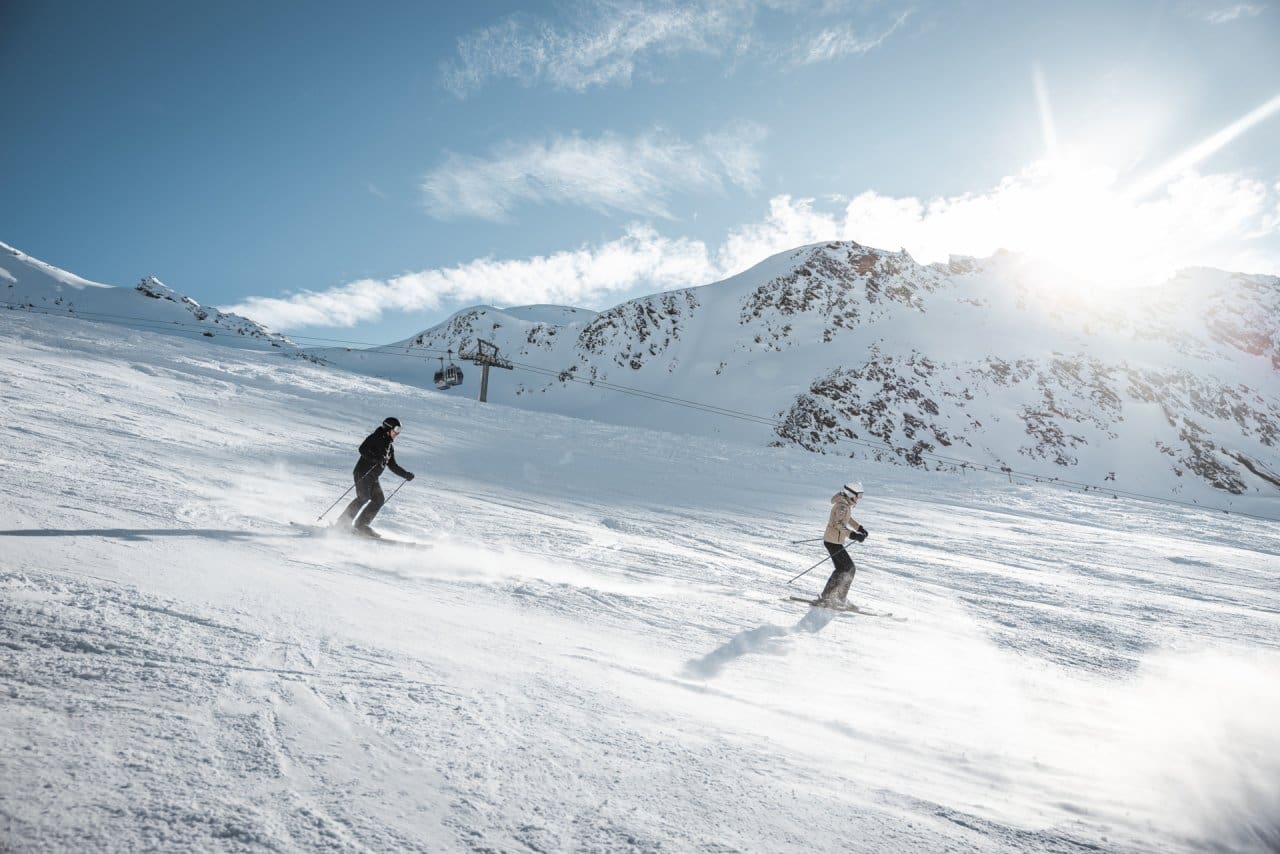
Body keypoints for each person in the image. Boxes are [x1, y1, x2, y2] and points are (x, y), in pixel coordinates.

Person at [337, 416, 414, 538]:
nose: (397, 433)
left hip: (373, 477)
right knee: (363, 497)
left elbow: (393, 465)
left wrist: (406, 474)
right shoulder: (375, 437)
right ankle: (342, 524)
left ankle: (361, 525)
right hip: (362, 473)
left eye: (399, 431)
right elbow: (362, 449)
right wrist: (375, 458)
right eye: (396, 430)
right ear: (388, 428)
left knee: (379, 499)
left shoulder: (389, 447)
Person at [819, 481, 868, 605]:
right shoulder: (842, 506)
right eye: (859, 496)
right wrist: (853, 535)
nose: (859, 499)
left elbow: (847, 518)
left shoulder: (845, 504)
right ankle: (837, 598)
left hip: (834, 541)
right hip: (832, 542)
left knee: (843, 568)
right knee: (849, 568)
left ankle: (831, 596)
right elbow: (838, 524)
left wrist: (859, 528)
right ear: (851, 494)